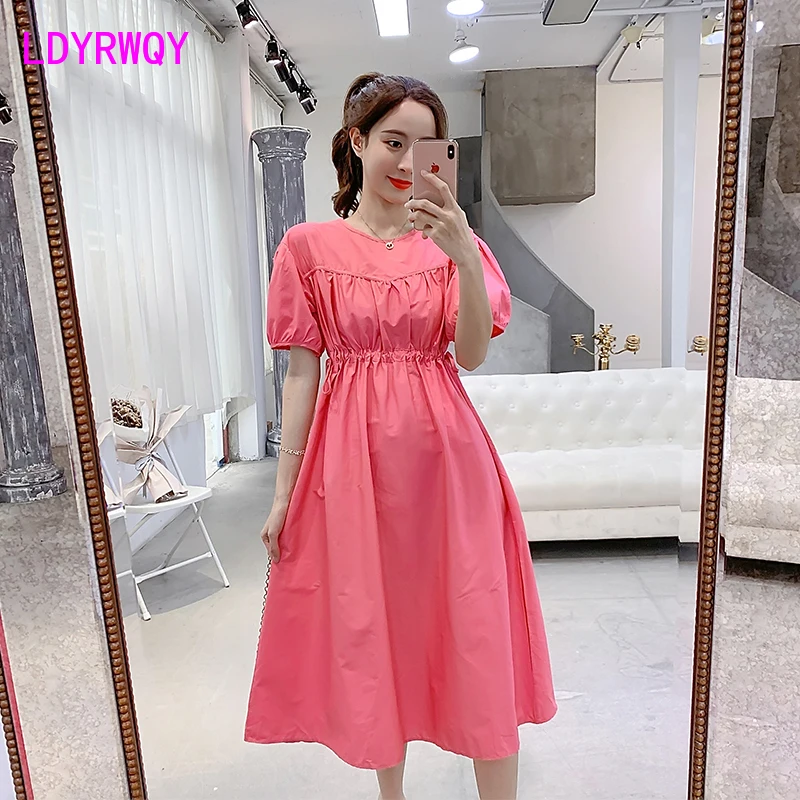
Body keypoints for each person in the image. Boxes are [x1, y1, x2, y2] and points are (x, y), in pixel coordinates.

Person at [245, 72, 557, 800]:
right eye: (393, 142)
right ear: (357, 142)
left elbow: (470, 353)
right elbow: (301, 375)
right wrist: (284, 492)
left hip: (449, 465)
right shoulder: (306, 247)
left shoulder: (453, 244)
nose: (408, 162)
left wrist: (463, 253)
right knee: (373, 626)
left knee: (472, 624)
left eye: (426, 147)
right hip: (352, 467)